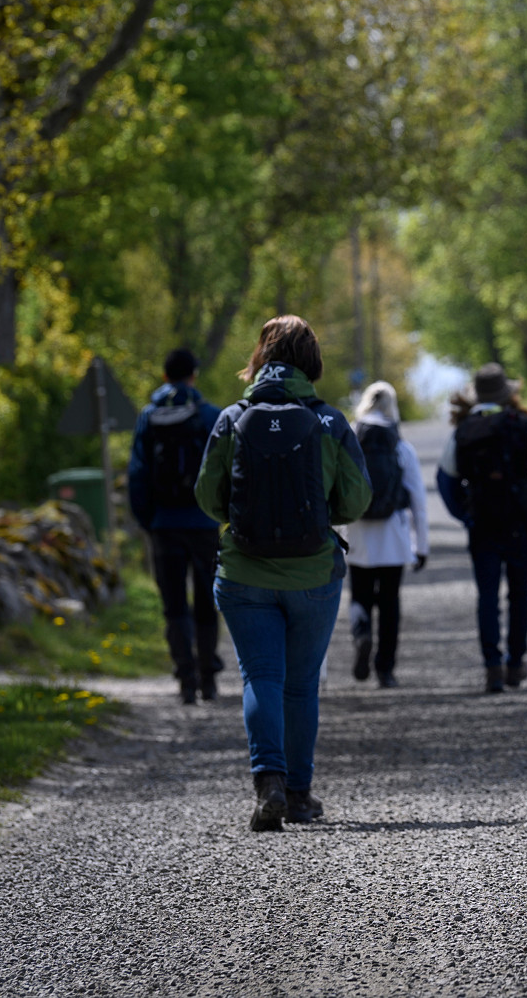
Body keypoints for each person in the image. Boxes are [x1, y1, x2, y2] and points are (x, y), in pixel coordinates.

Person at [197, 316, 371, 832]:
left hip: (244, 573)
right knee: (300, 686)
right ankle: (298, 794)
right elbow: (357, 499)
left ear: (260, 358)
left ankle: (267, 782)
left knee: (260, 677)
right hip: (314, 574)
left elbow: (209, 498)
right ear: (310, 361)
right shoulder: (330, 422)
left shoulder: (231, 419)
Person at [437, 362, 527, 694]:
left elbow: (445, 481)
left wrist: (465, 515)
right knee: (520, 595)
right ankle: (515, 662)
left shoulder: (463, 431)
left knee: (487, 597)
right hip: (521, 523)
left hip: (483, 525)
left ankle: (492, 665)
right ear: (508, 394)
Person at [127, 347, 225, 705]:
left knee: (174, 606)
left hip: (163, 525)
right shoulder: (210, 415)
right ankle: (208, 678)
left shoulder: (148, 417)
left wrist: (147, 520)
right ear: (194, 376)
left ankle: (185, 680)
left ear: (165, 377)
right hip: (203, 524)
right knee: (205, 601)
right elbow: (225, 470)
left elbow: (137, 474)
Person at [344, 381, 428, 688]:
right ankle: (386, 669)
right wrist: (422, 546)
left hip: (358, 534)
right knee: (390, 602)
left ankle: (362, 635)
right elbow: (417, 498)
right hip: (394, 536)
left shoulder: (350, 439)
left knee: (360, 597)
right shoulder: (400, 445)